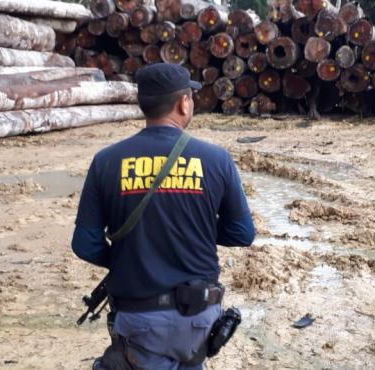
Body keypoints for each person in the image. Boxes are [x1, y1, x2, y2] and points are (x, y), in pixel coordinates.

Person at [71, 63, 255, 370]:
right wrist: (197, 229)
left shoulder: (106, 161)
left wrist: (130, 258)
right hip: (199, 321)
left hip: (139, 320)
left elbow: (84, 244)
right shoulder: (216, 159)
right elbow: (242, 233)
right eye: (191, 98)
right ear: (184, 103)